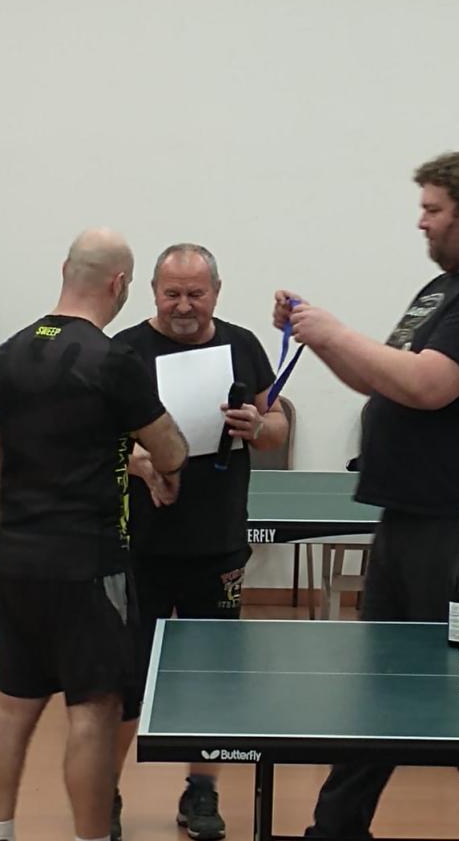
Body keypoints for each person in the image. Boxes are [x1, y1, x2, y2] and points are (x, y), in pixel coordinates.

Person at [276, 149, 459, 840]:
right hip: (411, 518)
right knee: (382, 685)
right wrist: (318, 334)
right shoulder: (440, 292)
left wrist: (335, 332)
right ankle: (335, 830)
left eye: (433, 209)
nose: (421, 222)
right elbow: (384, 378)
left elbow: (429, 385)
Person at [0, 228, 188, 841]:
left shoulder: (6, 355)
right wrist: (162, 463)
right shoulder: (112, 360)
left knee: (12, 704)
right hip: (89, 566)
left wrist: (3, 539)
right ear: (119, 284)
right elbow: (171, 449)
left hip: (18, 558)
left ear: (65, 270)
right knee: (94, 708)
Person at [111, 243, 288, 841]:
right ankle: (104, 792)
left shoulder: (243, 345)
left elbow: (276, 425)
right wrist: (138, 461)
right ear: (153, 292)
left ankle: (202, 791)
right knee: (126, 678)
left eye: (196, 293)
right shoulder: (125, 351)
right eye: (172, 294)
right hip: (138, 545)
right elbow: (94, 440)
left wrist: (259, 426)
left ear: (216, 291)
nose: (184, 306)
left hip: (217, 542)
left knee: (212, 676)